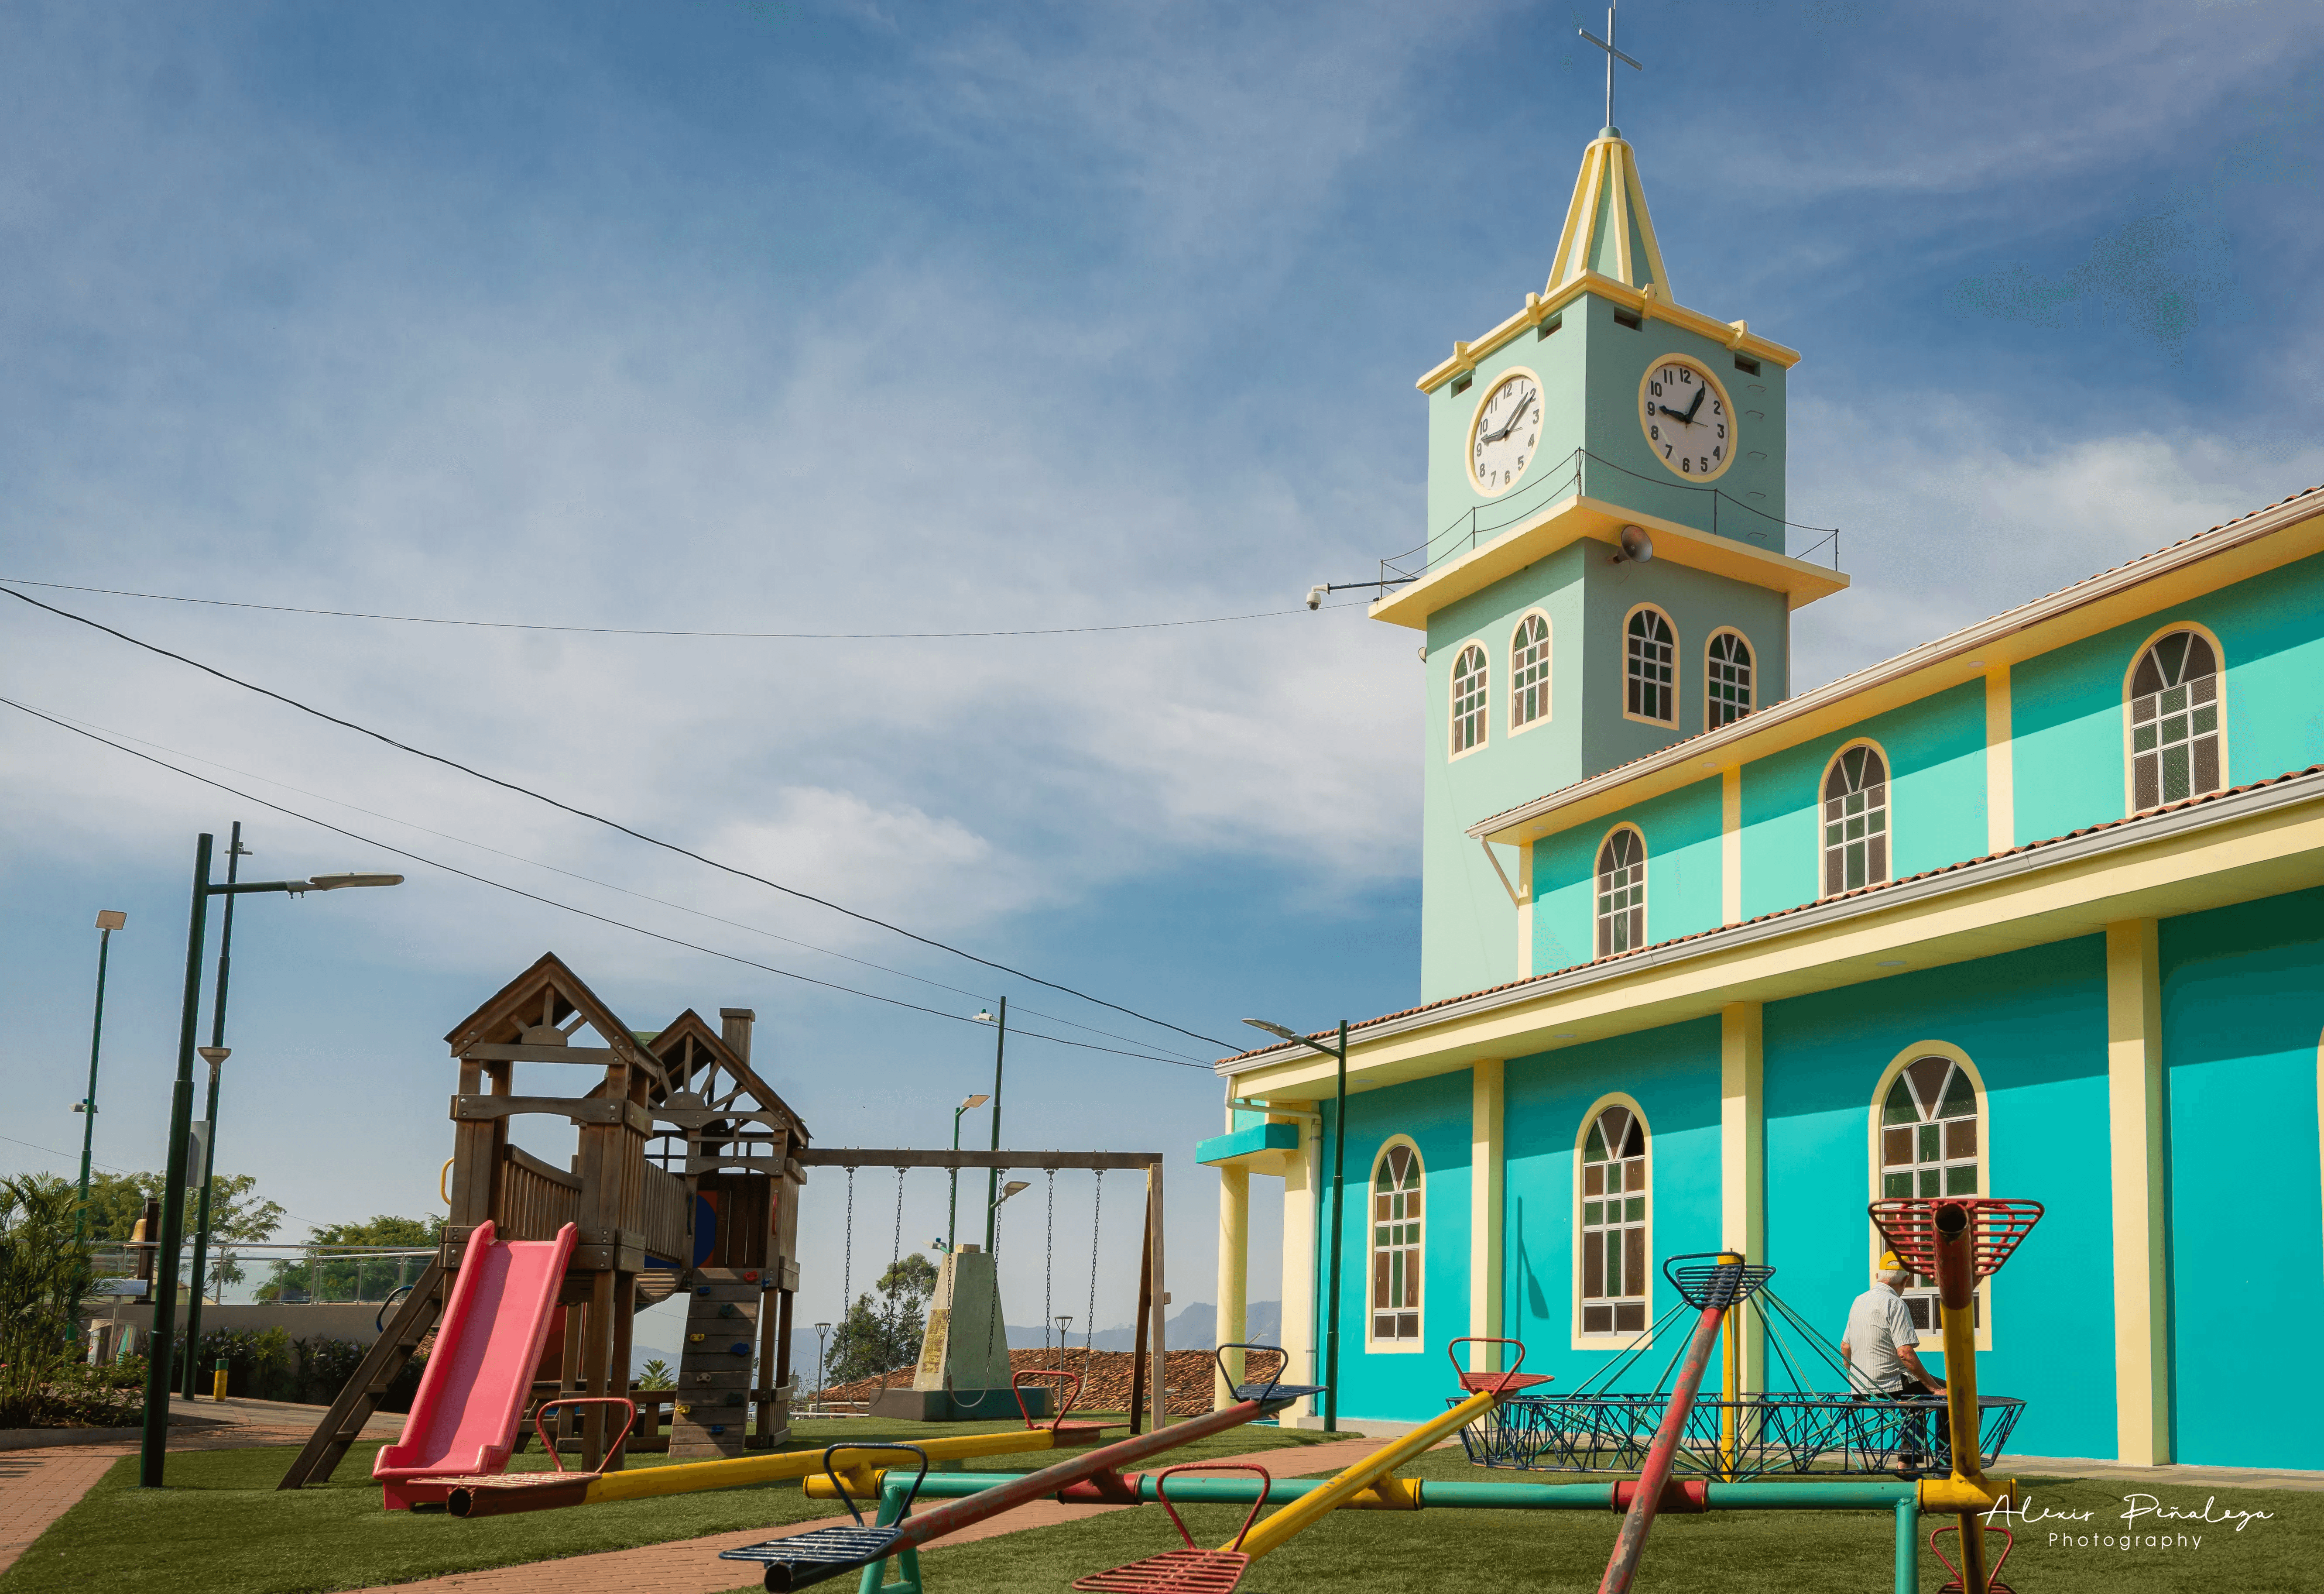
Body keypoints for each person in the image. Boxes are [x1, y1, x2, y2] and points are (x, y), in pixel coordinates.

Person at [1840, 1251, 1949, 1479]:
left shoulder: (1859, 1301)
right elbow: (1905, 1354)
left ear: (1878, 1275)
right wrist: (1933, 1388)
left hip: (1860, 1389)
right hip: (1890, 1387)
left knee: (1915, 1400)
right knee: (1951, 1396)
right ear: (1906, 1280)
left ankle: (1908, 1463)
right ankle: (1945, 1465)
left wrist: (1856, 1381)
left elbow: (1845, 1348)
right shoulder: (1895, 1304)